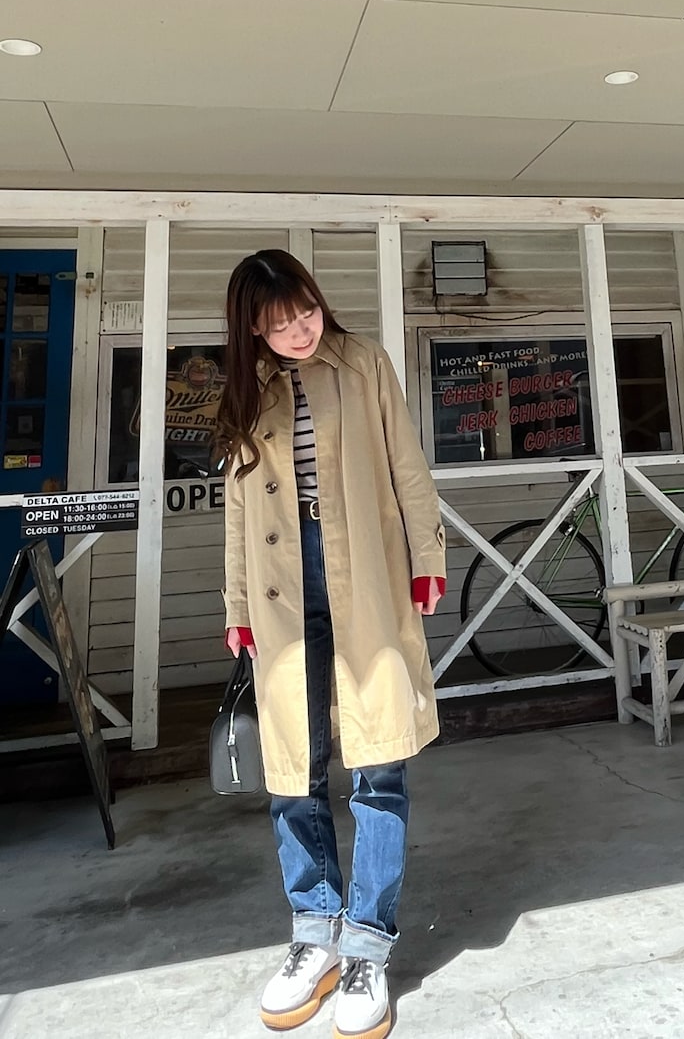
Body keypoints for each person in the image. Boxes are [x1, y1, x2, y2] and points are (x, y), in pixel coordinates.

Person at [216, 249, 446, 1039]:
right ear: (253, 327)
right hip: (279, 591)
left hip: (366, 576)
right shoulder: (246, 388)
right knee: (294, 771)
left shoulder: (364, 362)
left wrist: (427, 554)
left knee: (378, 765)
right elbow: (238, 508)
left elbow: (407, 464)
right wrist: (237, 602)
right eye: (279, 323)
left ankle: (367, 948)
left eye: (306, 311)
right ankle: (314, 935)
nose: (299, 330)